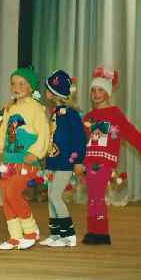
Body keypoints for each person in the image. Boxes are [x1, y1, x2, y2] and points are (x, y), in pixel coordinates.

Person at [75, 65, 141, 245]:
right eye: (93, 90)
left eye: (100, 90)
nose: (96, 94)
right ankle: (94, 231)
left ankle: (102, 232)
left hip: (105, 162)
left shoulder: (115, 114)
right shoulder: (88, 117)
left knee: (97, 196)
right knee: (93, 197)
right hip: (89, 162)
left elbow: (131, 132)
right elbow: (81, 141)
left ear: (108, 92)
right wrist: (78, 161)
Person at [0, 67, 50, 250]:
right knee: (6, 197)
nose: (16, 87)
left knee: (13, 193)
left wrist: (35, 153)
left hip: (26, 161)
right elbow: (3, 134)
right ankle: (15, 236)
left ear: (31, 87)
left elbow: (44, 133)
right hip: (9, 161)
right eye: (13, 84)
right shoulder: (10, 109)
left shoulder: (36, 109)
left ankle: (31, 231)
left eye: (21, 84)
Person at [39, 70, 85, 248]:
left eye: (48, 89)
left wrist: (79, 161)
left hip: (66, 163)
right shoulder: (55, 113)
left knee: (56, 196)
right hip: (52, 162)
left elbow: (80, 138)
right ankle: (55, 234)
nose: (46, 92)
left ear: (55, 92)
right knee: (51, 196)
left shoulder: (71, 114)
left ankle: (69, 235)